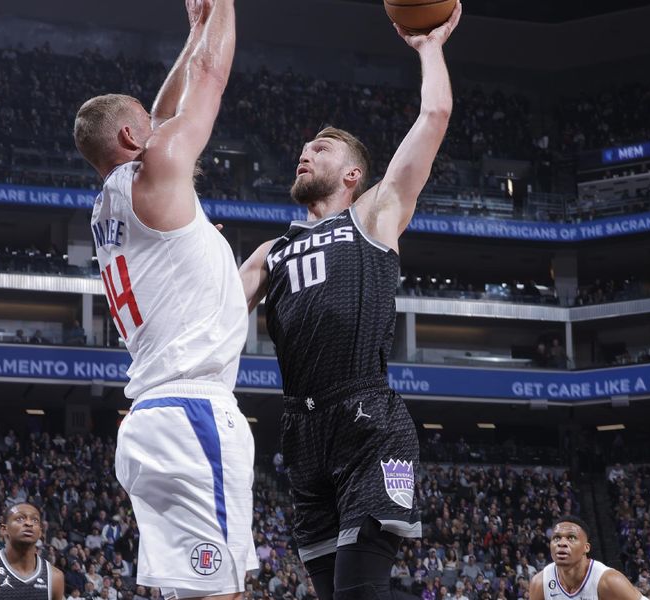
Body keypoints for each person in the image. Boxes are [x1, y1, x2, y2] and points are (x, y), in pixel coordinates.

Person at [238, 4, 462, 599]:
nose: (305, 152)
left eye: (322, 148)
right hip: (301, 428)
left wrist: (429, 46)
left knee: (359, 593)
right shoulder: (270, 251)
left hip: (367, 418)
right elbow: (210, 317)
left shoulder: (376, 212)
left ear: (353, 173)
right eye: (305, 147)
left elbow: (435, 114)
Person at [72, 1, 256, 599]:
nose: (163, 129)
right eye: (149, 129)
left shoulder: (112, 204)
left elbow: (161, 110)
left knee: (191, 592)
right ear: (132, 139)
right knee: (224, 592)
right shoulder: (155, 174)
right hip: (193, 414)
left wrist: (198, 31)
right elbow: (207, 81)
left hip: (154, 418)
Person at [531, 516, 646, 600]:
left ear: (586, 548)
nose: (562, 543)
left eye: (571, 538)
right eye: (556, 538)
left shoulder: (609, 581)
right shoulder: (540, 583)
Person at [0, 503, 65, 600]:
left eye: (35, 520)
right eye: (20, 518)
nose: (29, 523)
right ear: (4, 529)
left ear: (40, 532)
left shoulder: (55, 577)